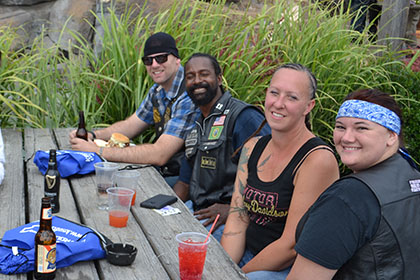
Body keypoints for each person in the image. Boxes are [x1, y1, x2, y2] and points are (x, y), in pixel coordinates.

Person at [221, 63, 340, 280]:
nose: (279, 103)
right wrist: (222, 266)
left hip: (286, 270)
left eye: (292, 97)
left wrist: (233, 275)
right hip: (248, 256)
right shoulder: (252, 147)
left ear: (308, 106)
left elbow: (290, 246)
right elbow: (238, 218)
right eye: (274, 93)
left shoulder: (316, 159)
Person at [288, 89, 420, 279]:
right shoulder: (412, 175)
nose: (347, 138)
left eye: (361, 128)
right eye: (341, 127)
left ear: (392, 136)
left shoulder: (348, 198)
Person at [70, 32, 199, 184]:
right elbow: (130, 125)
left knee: (112, 187)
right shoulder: (158, 90)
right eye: (148, 60)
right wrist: (93, 135)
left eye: (161, 58)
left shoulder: (189, 93)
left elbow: (160, 154)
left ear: (177, 60)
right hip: (166, 171)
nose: (155, 65)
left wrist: (97, 151)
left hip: (188, 181)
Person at [172, 53, 270, 241]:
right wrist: (168, 209)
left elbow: (272, 176)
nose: (197, 81)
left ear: (218, 78)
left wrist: (231, 210)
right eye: (190, 76)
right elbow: (184, 182)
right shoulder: (198, 125)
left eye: (204, 74)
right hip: (199, 212)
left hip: (231, 219)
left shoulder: (243, 117)